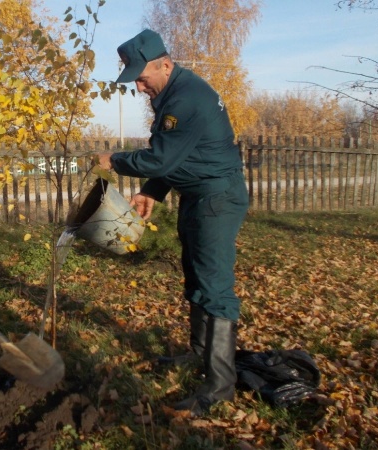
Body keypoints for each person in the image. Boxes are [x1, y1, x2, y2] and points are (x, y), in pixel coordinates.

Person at [95, 29, 249, 417]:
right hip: (199, 195)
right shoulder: (174, 93)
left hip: (217, 198)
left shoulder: (186, 99)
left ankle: (219, 386)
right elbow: (177, 157)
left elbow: (161, 158)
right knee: (196, 274)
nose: (140, 87)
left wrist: (115, 160)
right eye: (136, 82)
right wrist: (151, 192)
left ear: (165, 64)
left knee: (214, 284)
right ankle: (198, 354)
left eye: (142, 78)